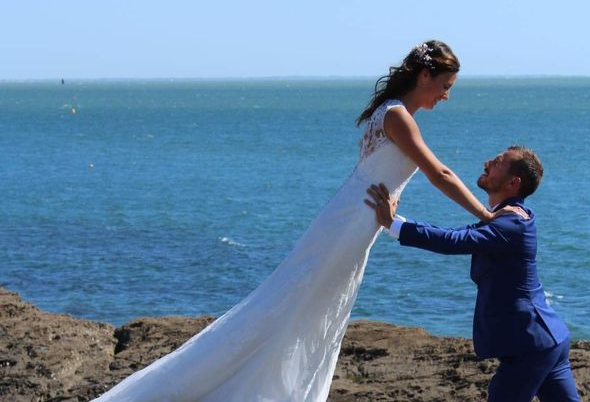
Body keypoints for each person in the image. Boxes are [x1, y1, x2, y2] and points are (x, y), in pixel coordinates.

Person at [94, 41, 520, 402]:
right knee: (301, 304)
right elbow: (438, 173)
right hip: (352, 220)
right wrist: (486, 216)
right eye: (445, 86)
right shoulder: (397, 116)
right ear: (425, 76)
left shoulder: (390, 112)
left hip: (353, 217)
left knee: (308, 305)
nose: (446, 96)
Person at [365, 147, 581, 402]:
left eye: (498, 162)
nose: (487, 161)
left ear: (513, 182)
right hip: (548, 339)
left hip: (530, 345)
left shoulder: (511, 223)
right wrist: (395, 220)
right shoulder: (511, 216)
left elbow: (453, 240)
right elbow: (460, 233)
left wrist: (393, 224)